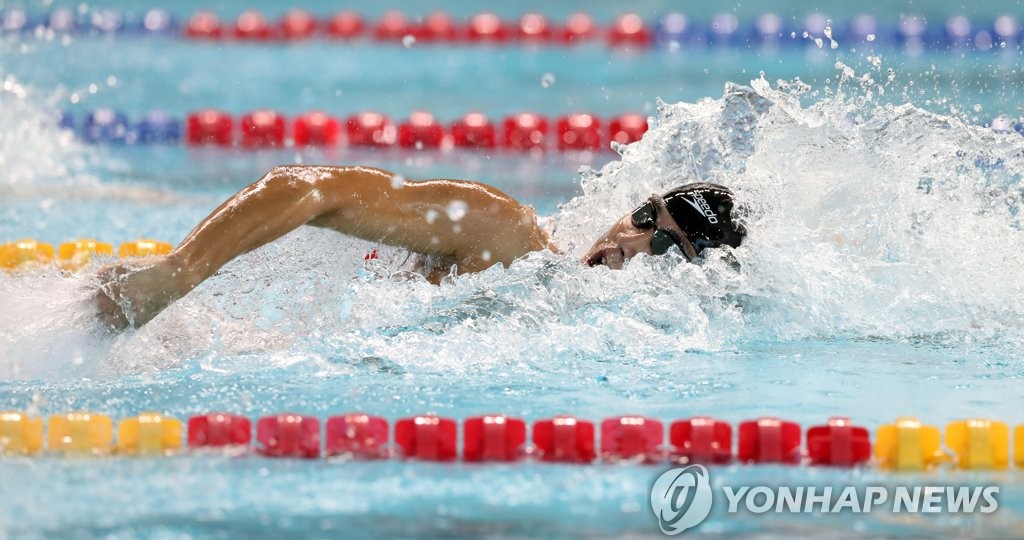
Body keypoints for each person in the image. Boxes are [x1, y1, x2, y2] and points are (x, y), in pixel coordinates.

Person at [95, 165, 745, 330]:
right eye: (642, 216)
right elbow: (308, 188)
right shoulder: (505, 236)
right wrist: (177, 276)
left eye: (664, 243)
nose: (631, 241)